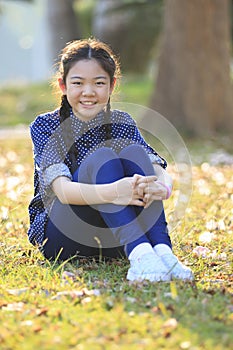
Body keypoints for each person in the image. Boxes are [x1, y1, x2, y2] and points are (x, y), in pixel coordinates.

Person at [28, 38, 193, 282]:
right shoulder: (46, 126)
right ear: (63, 85)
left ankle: (160, 253)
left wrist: (161, 186)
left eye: (98, 83)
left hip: (115, 235)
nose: (88, 92)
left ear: (111, 85)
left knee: (135, 154)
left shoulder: (122, 122)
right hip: (63, 234)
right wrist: (116, 191)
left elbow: (154, 165)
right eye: (78, 83)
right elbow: (63, 191)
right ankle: (139, 254)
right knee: (102, 157)